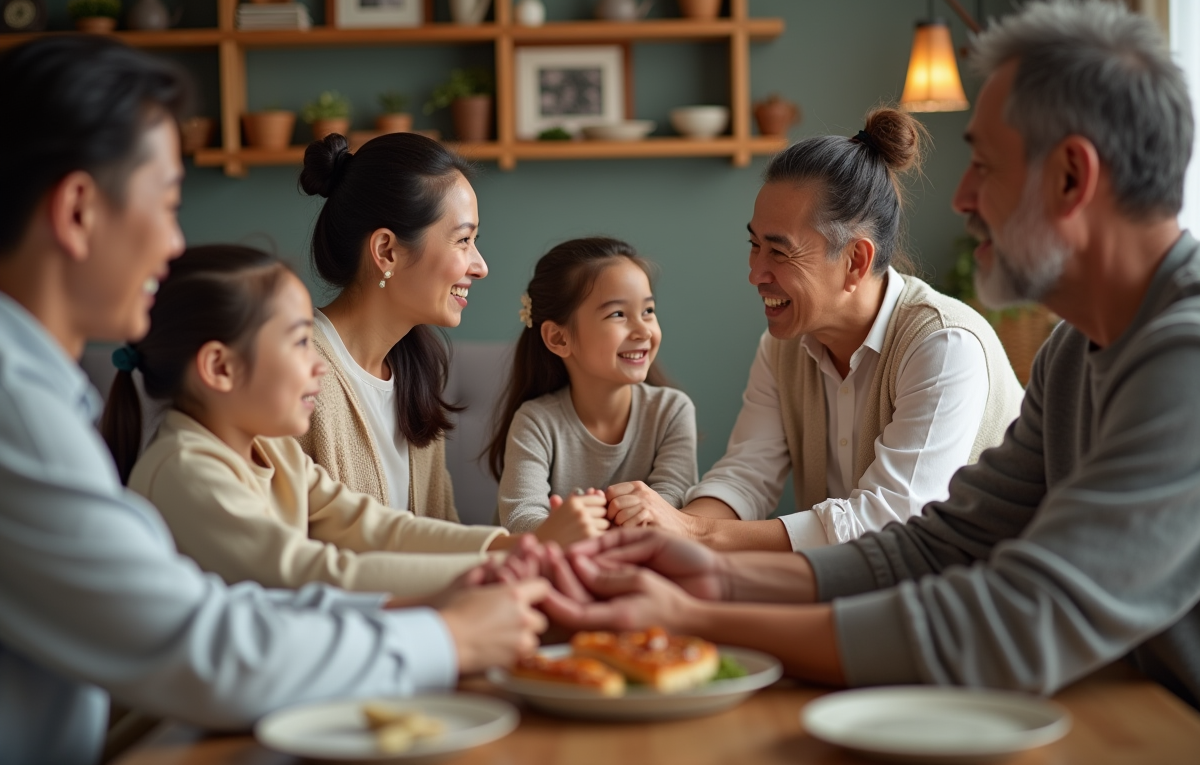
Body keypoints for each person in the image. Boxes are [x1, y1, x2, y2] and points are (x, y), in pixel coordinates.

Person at [539, 0, 1200, 709]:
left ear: (1072, 177)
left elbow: (1020, 617)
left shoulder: (1185, 358)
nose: (962, 198)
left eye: (984, 165)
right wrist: (715, 573)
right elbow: (935, 546)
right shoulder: (1073, 353)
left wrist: (699, 613)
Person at [0, 36, 548, 765]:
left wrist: (501, 562)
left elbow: (345, 546)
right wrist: (451, 631)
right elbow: (216, 634)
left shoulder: (41, 394)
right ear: (77, 212)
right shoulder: (23, 414)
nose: (174, 245)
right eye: (167, 204)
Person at [605, 108, 1023, 551]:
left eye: (779, 253)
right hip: (872, 588)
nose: (756, 274)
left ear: (856, 261)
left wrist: (692, 531)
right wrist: (667, 531)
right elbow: (746, 476)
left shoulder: (943, 345)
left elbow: (889, 522)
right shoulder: (781, 348)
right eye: (754, 245)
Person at [105, 244, 542, 597]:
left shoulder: (272, 449)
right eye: (299, 342)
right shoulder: (186, 473)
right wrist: (500, 568)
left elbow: (373, 527)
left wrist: (512, 547)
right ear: (220, 368)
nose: (319, 364)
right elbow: (315, 575)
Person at [297, 132, 601, 543]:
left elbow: (442, 535)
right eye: (463, 240)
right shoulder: (299, 375)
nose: (480, 266)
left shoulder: (414, 369)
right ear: (387, 251)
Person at [486, 237, 697, 535]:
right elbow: (520, 519)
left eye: (648, 311)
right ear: (559, 338)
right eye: (618, 314)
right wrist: (573, 528)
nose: (642, 330)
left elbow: (669, 507)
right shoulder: (535, 422)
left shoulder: (672, 412)